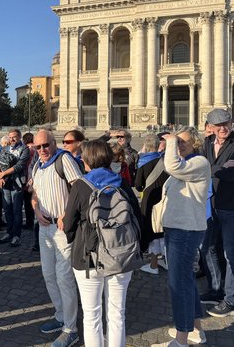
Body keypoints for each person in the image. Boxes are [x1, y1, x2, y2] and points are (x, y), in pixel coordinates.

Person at [63, 139, 141, 347]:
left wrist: (72, 239)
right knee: (117, 314)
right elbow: (137, 218)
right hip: (120, 253)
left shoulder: (80, 185)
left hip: (88, 255)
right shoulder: (121, 182)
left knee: (91, 315)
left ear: (88, 160)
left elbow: (69, 223)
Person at [151, 128, 211, 347]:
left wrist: (170, 141)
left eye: (182, 141)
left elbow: (172, 166)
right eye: (177, 141)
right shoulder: (186, 164)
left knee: (179, 284)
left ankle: (181, 340)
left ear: (196, 143)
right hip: (178, 229)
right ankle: (195, 330)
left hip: (185, 231)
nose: (178, 145)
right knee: (186, 281)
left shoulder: (199, 162)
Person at [31, 129, 82, 347]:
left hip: (62, 229)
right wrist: (35, 209)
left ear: (54, 143)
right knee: (48, 275)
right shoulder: (37, 165)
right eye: (38, 146)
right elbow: (34, 193)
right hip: (44, 227)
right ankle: (60, 315)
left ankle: (71, 329)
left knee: (64, 278)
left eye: (46, 145)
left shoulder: (64, 159)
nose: (42, 149)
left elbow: (79, 189)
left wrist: (66, 215)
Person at [200, 109, 234, 318]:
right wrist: (218, 167)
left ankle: (231, 300)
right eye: (218, 125)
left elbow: (232, 173)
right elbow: (199, 168)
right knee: (208, 248)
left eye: (226, 123)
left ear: (231, 123)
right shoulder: (206, 143)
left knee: (230, 253)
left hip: (230, 205)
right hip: (209, 204)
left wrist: (211, 169)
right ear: (210, 127)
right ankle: (216, 290)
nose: (223, 128)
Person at [135, 134, 166, 275]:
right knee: (163, 230)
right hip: (165, 199)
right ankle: (165, 260)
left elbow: (138, 185)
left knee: (151, 231)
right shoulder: (166, 161)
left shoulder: (143, 162)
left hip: (149, 199)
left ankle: (153, 265)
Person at [0, 129, 30, 247]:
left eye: (14, 137)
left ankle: (16, 235)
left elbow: (20, 166)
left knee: (16, 211)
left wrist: (3, 174)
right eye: (10, 137)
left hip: (17, 183)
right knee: (7, 209)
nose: (12, 139)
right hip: (5, 183)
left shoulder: (24, 149)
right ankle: (9, 233)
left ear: (19, 137)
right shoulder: (5, 148)